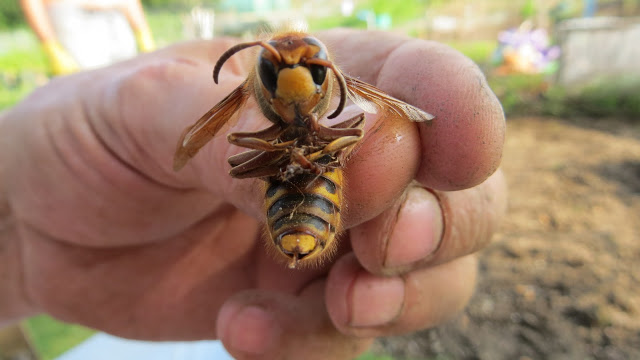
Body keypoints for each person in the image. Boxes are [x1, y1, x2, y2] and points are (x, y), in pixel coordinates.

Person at [0, 29, 507, 360]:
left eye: (308, 74)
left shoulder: (353, 95)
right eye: (275, 73)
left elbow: (407, 117)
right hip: (288, 186)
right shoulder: (244, 101)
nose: (292, 84)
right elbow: (221, 144)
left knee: (380, 148)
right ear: (259, 79)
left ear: (329, 76)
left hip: (314, 185)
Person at [20, 0, 155, 75]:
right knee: (90, 92)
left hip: (116, 14)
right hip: (73, 18)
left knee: (129, 86)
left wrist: (143, 32)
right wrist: (51, 46)